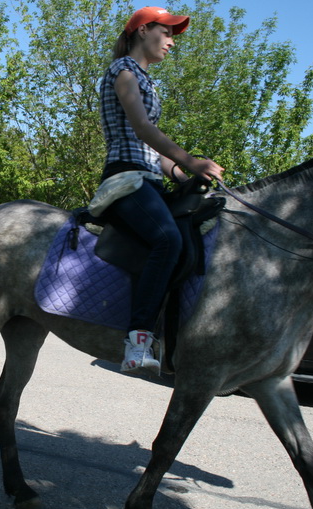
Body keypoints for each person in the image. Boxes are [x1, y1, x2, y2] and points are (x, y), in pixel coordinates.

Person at [99, 6, 224, 375]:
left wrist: (181, 176)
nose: (171, 41)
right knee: (166, 240)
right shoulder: (123, 71)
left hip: (148, 176)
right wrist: (190, 161)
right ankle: (137, 342)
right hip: (124, 177)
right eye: (166, 32)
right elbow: (140, 128)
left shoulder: (148, 80)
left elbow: (153, 151)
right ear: (142, 30)